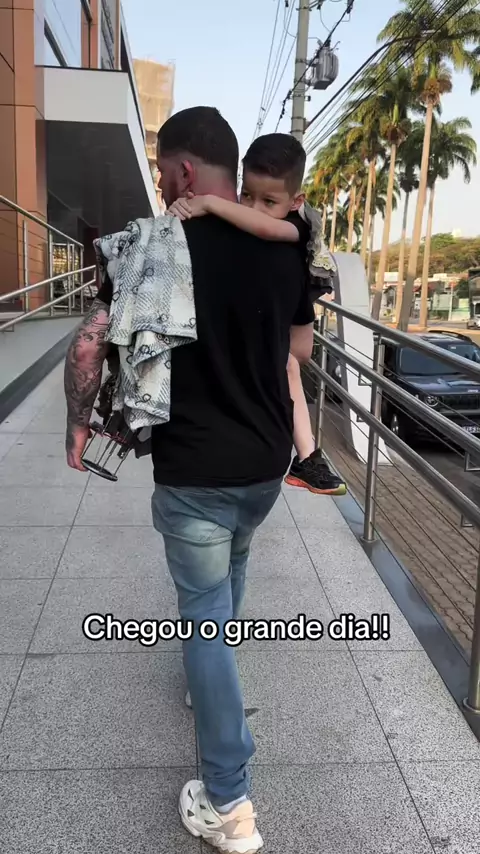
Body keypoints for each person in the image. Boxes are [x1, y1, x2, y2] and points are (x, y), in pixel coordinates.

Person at [64, 106, 315, 853]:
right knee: (232, 566)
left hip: (196, 467)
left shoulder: (150, 244)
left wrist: (78, 425)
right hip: (265, 463)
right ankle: (211, 680)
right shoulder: (287, 245)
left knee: (203, 615)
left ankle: (229, 803)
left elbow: (90, 346)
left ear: (180, 173)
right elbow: (298, 350)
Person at [168, 132, 346, 497]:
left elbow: (267, 227)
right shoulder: (273, 237)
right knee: (290, 363)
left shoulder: (298, 226)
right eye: (246, 195)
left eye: (268, 201)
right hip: (257, 456)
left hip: (204, 458)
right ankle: (307, 457)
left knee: (290, 364)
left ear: (297, 202)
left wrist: (208, 203)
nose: (253, 208)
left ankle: (307, 455)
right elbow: (302, 348)